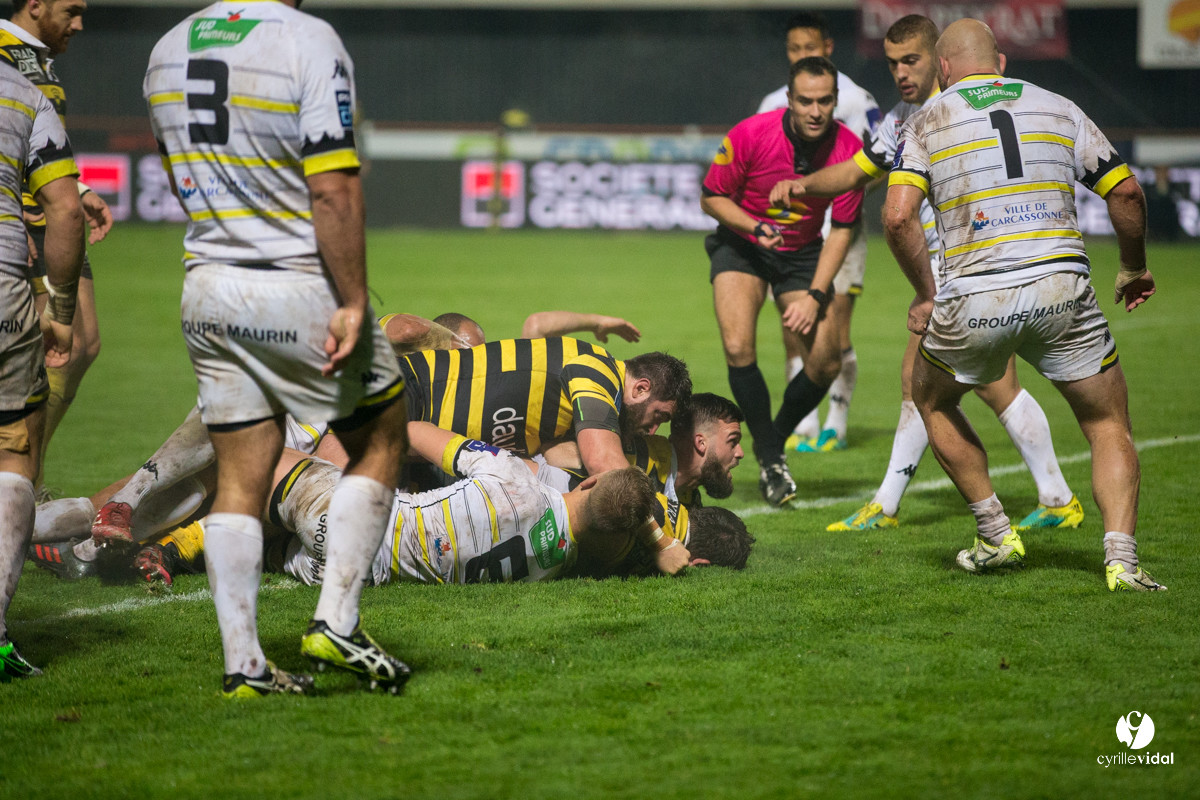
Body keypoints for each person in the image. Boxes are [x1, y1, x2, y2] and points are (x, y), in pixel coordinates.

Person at [145, 0, 413, 698]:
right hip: (290, 282)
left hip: (206, 285)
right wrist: (352, 299)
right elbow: (332, 187)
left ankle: (245, 667)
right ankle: (337, 622)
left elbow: (178, 175)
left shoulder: (168, 47)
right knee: (383, 434)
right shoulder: (308, 39)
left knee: (241, 475)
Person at [771, 15, 1082, 534]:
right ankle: (1055, 497)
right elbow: (857, 171)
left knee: (936, 383)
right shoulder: (902, 118)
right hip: (956, 269)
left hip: (975, 264)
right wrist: (803, 185)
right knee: (979, 385)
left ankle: (893, 505)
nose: (900, 72)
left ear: (939, 59)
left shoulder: (958, 109)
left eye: (911, 60)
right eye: (892, 62)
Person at [883, 18, 1163, 590]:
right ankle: (1122, 562)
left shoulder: (926, 121)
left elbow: (896, 216)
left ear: (943, 68)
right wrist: (1133, 267)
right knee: (1107, 422)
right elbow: (1127, 192)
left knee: (931, 400)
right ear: (1001, 62)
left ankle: (995, 535)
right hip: (1062, 291)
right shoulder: (1059, 107)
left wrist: (927, 294)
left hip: (976, 297)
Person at [702, 56, 864, 506]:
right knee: (738, 346)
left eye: (825, 101)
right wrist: (754, 227)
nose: (816, 111)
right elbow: (711, 197)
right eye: (806, 101)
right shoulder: (751, 133)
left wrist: (815, 294)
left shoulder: (850, 149)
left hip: (804, 252)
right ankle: (773, 458)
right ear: (789, 99)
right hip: (743, 245)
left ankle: (769, 441)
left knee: (826, 362)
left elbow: (843, 229)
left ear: (836, 100)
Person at [0, 0, 113, 498]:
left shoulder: (36, 58)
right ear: (34, 5)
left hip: (52, 213)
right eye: (71, 11)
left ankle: (28, 473)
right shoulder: (3, 51)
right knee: (54, 350)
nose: (80, 24)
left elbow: (36, 141)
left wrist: (77, 188)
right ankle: (22, 477)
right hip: (27, 224)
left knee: (82, 346)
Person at [757, 12, 881, 453]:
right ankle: (804, 422)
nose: (800, 55)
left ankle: (837, 424)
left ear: (827, 48)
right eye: (793, 49)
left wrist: (839, 194)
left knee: (836, 331)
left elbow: (878, 163)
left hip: (839, 231)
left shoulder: (855, 99)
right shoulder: (773, 101)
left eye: (809, 48)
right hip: (790, 235)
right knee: (793, 329)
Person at [0, 54, 84, 679]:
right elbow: (64, 208)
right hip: (4, 290)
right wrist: (60, 308)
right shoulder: (23, 91)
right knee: (13, 453)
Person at [399, 338, 691, 476]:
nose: (653, 430)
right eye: (659, 415)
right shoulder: (598, 370)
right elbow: (603, 463)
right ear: (640, 388)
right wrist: (661, 538)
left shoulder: (580, 405)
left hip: (421, 440)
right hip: (415, 391)